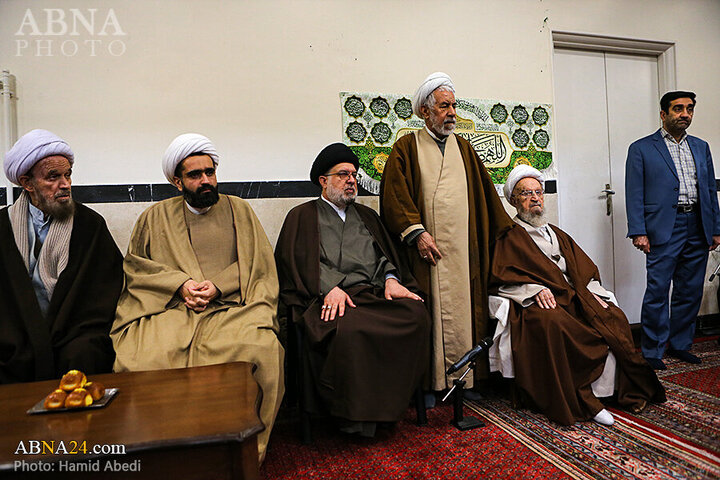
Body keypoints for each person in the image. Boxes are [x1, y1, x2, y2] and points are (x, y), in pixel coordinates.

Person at [111, 133, 284, 461]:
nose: (206, 181)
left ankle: (245, 452)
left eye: (210, 172)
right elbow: (137, 267)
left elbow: (258, 261)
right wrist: (180, 285)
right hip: (172, 307)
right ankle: (165, 451)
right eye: (195, 175)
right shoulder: (154, 217)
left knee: (262, 347)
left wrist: (217, 285)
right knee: (142, 356)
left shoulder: (240, 210)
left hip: (232, 305)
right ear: (177, 181)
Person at [490, 165, 665, 426]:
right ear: (514, 201)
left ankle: (619, 390)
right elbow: (500, 279)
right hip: (539, 303)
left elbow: (585, 270)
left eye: (538, 192)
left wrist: (593, 293)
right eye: (526, 193)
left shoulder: (557, 233)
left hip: (574, 297)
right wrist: (534, 290)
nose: (535, 198)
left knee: (612, 315)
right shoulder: (508, 237)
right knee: (554, 323)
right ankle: (582, 399)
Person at [276, 143, 430, 437]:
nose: (351, 180)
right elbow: (296, 262)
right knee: (352, 329)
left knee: (415, 314)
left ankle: (391, 406)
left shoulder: (367, 216)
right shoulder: (302, 216)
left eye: (354, 175)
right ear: (324, 180)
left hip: (372, 294)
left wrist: (391, 280)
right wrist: (329, 287)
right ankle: (355, 417)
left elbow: (386, 256)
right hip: (327, 299)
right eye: (343, 174)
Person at [380, 72, 514, 390]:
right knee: (431, 313)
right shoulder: (406, 147)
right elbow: (395, 197)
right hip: (426, 254)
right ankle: (433, 382)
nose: (451, 112)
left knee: (469, 313)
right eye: (443, 106)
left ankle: (467, 382)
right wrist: (418, 233)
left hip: (465, 253)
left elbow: (485, 199)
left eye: (453, 106)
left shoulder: (465, 149)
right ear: (425, 111)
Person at [0, 129, 123, 384]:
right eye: (53, 177)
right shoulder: (3, 226)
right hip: (16, 332)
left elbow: (104, 291)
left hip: (72, 331)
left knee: (86, 353)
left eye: (67, 175)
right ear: (27, 182)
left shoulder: (90, 225)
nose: (65, 184)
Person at [625, 91, 720, 370]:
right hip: (663, 228)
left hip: (697, 225)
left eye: (689, 109)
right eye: (678, 109)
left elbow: (710, 190)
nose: (685, 114)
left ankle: (680, 345)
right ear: (664, 114)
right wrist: (638, 231)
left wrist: (715, 228)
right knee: (658, 289)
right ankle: (652, 349)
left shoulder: (701, 147)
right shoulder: (642, 148)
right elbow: (634, 193)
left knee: (690, 291)